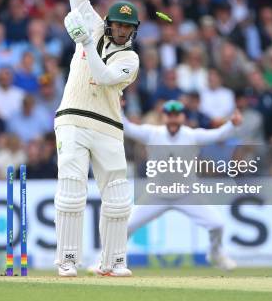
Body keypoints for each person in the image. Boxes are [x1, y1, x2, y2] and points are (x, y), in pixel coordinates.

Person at [55, 0, 139, 277]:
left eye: (127, 28)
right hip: (72, 118)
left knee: (118, 197)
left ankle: (113, 262)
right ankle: (67, 259)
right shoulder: (92, 25)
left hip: (108, 126)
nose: (122, 31)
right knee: (72, 188)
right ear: (108, 23)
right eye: (117, 25)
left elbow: (103, 78)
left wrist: (85, 43)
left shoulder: (131, 59)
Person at [95, 100, 242, 271]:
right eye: (169, 116)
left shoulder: (192, 135)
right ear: (163, 117)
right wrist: (117, 108)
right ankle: (105, 260)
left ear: (183, 118)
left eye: (176, 116)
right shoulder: (152, 134)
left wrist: (232, 125)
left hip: (188, 195)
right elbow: (127, 127)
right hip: (156, 195)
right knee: (125, 227)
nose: (173, 120)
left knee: (217, 224)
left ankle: (216, 254)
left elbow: (218, 135)